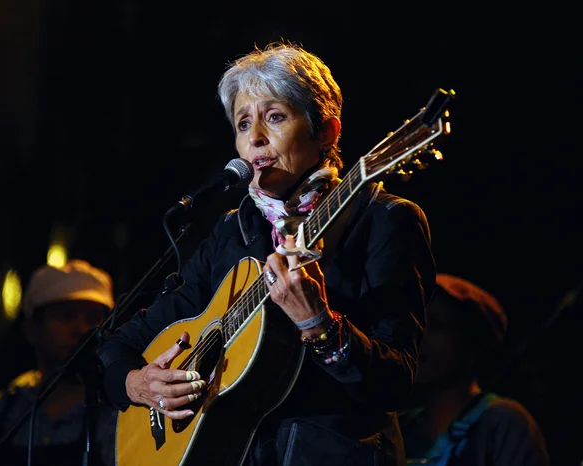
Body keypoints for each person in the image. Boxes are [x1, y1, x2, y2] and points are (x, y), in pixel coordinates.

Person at [97, 40, 436, 466]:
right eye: (242, 124)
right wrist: (135, 383)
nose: (255, 138)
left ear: (325, 131)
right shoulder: (234, 232)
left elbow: (396, 381)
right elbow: (121, 342)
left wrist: (320, 326)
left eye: (274, 118)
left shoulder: (382, 219)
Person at [398, 273, 550, 465]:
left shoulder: (502, 422)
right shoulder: (398, 427)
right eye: (418, 325)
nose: (419, 337)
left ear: (472, 344)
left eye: (437, 326)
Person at [0, 259, 119, 466]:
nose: (81, 328)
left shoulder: (118, 413)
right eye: (66, 316)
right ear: (32, 330)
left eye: (92, 317)